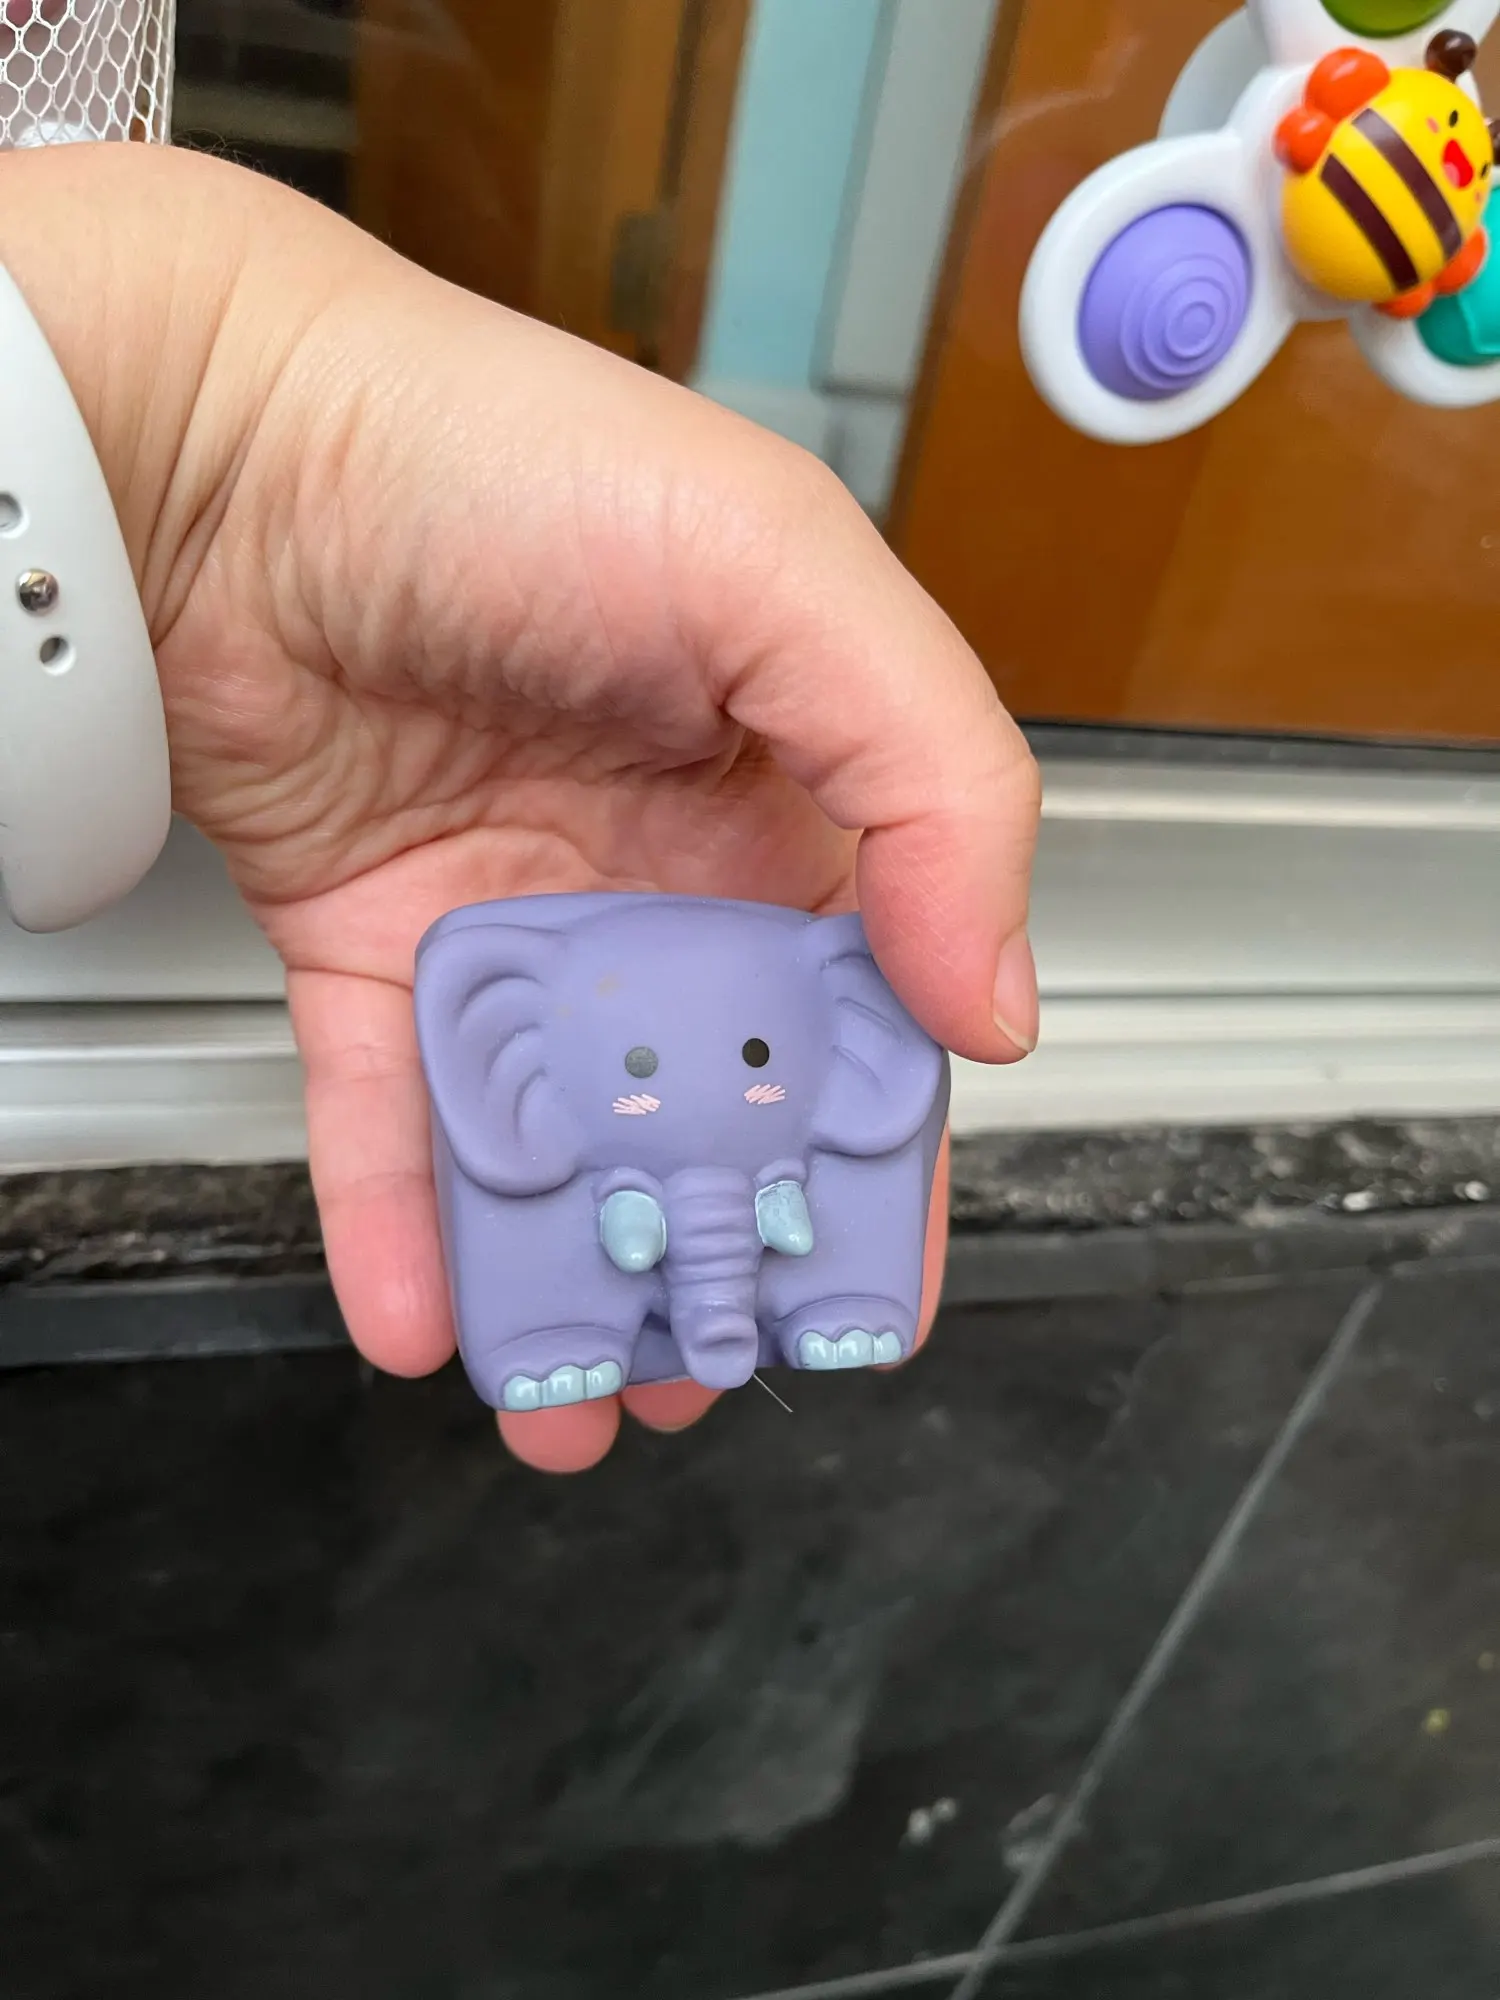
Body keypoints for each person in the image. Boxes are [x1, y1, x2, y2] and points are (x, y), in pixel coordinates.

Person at [16, 141, 1042, 1471]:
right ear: (495, 1048)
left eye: (755, 1057)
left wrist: (238, 423)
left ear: (860, 1037)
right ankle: (567, 1324)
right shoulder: (509, 1006)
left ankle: (815, 1306)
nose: (713, 1075)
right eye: (634, 1069)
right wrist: (240, 426)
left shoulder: (831, 1018)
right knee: (549, 1310)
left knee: (771, 1284)